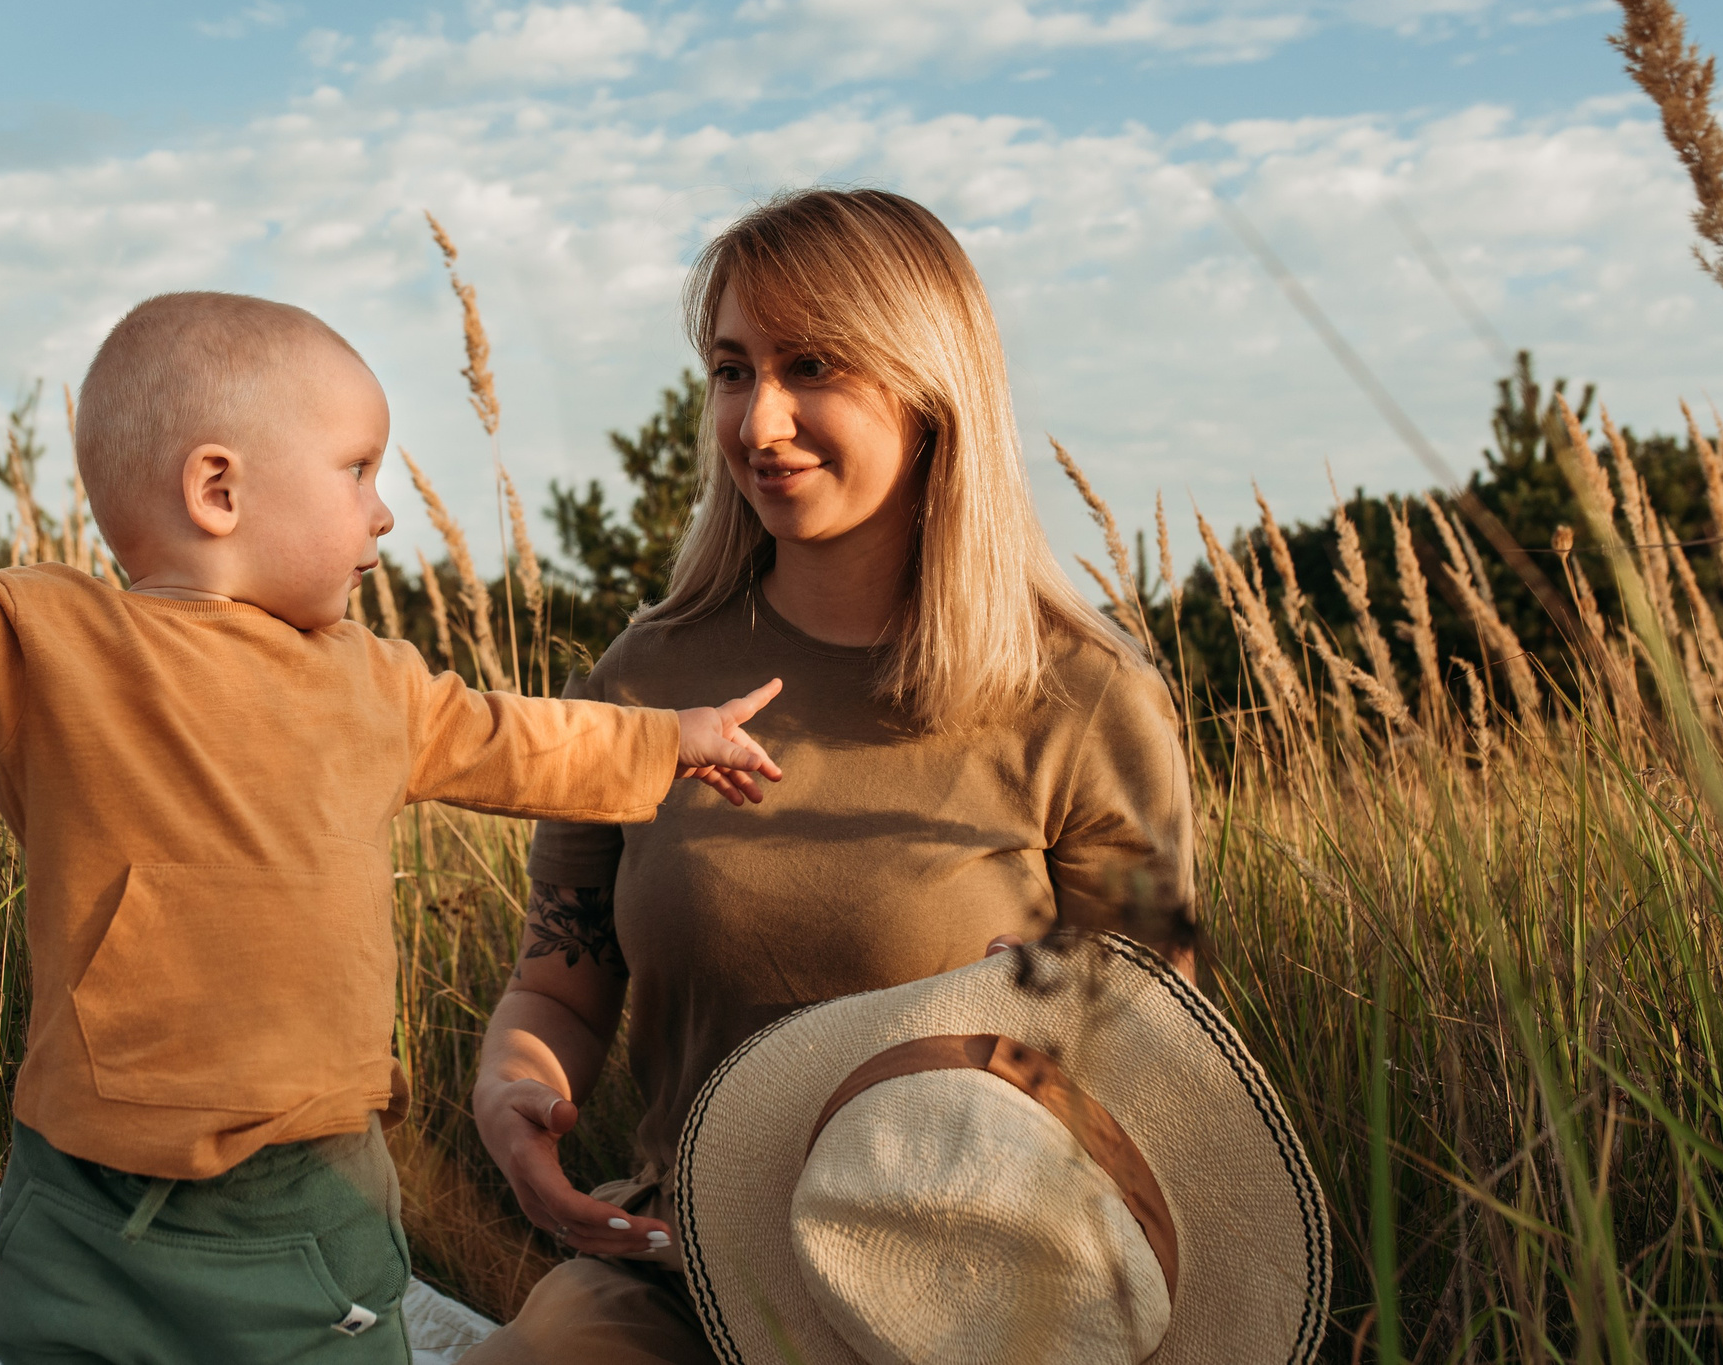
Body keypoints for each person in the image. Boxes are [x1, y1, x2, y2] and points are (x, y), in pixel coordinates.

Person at [0, 290, 788, 1365]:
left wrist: (669, 740)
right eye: (356, 472)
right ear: (218, 487)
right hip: (81, 1190)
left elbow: (517, 736)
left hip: (308, 1187)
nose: (384, 513)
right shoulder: (55, 641)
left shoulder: (372, 681)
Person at [463, 189, 1200, 1365]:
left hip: (963, 1296)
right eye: (729, 368)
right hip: (681, 1269)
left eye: (812, 365)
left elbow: (1151, 1057)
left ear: (928, 389)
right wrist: (513, 1091)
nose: (759, 421)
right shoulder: (643, 678)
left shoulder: (1085, 699)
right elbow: (558, 984)